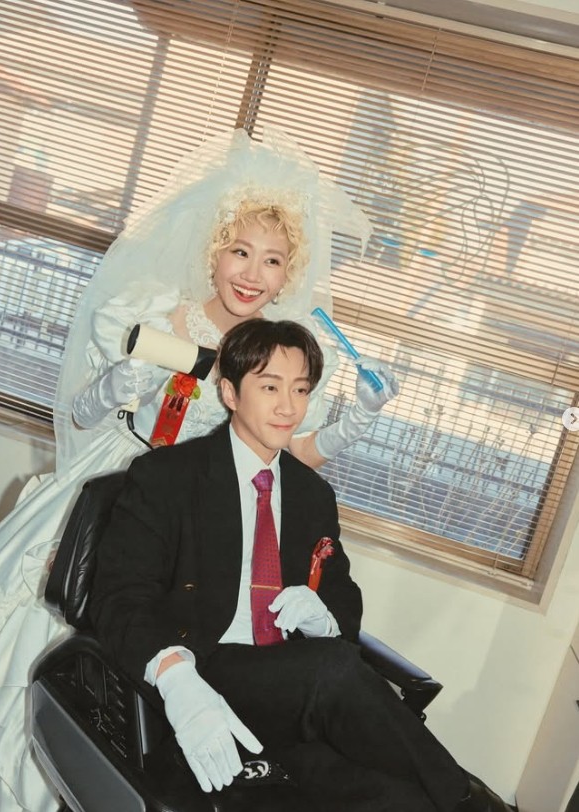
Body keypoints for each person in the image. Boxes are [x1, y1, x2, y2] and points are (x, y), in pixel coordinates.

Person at [0, 128, 398, 812]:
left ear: (290, 273)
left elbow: (290, 456)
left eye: (272, 260)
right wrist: (117, 384)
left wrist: (355, 424)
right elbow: (83, 415)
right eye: (240, 251)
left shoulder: (279, 357)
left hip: (199, 518)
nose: (252, 273)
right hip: (114, 485)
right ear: (214, 251)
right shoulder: (154, 315)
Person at [89, 318, 514, 812]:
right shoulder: (168, 476)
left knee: (404, 798)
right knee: (334, 668)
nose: (289, 407)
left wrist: (323, 618)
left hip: (289, 703)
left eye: (301, 389)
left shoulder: (312, 494)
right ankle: (475, 803)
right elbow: (120, 598)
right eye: (269, 387)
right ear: (230, 392)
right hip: (205, 676)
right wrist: (176, 677)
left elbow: (342, 598)